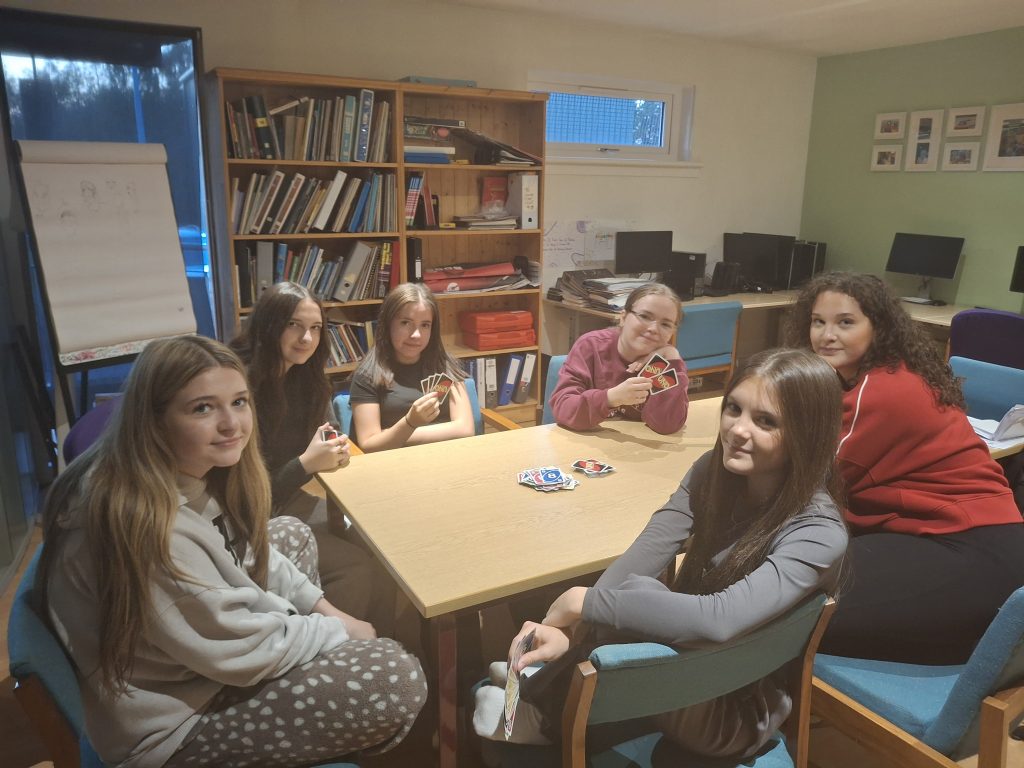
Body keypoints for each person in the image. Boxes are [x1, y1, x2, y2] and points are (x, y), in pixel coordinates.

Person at [41, 336, 425, 768]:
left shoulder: (171, 473)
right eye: (202, 408)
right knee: (396, 677)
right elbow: (240, 650)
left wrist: (326, 612)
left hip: (196, 660)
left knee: (290, 533)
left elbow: (242, 546)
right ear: (153, 419)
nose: (232, 424)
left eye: (239, 402)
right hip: (172, 726)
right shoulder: (148, 528)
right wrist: (338, 633)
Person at [474, 348, 848, 759]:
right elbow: (650, 548)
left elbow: (719, 620)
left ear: (806, 434)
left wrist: (586, 602)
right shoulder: (714, 471)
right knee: (632, 594)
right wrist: (576, 625)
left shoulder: (819, 531)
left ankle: (545, 715)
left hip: (734, 706)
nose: (738, 430)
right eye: (734, 408)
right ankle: (552, 682)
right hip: (687, 666)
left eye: (766, 421)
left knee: (637, 599)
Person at [786, 271, 1024, 664]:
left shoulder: (878, 390)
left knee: (781, 607)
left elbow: (807, 480)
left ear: (877, 328)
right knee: (781, 582)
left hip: (970, 550)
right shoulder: (874, 376)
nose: (827, 335)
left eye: (845, 322)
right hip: (947, 536)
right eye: (818, 321)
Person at [231, 282, 387, 626]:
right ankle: (331, 643)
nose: (307, 338)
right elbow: (244, 495)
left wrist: (334, 447)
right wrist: (306, 464)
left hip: (286, 501)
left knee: (380, 546)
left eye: (315, 328)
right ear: (269, 325)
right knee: (359, 566)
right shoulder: (239, 389)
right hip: (248, 519)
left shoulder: (305, 375)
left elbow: (331, 431)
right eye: (294, 325)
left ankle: (377, 635)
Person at [549, 283, 689, 434]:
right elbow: (563, 408)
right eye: (644, 316)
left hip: (636, 445)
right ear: (623, 317)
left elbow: (667, 424)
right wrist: (611, 398)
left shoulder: (662, 362)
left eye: (666, 324)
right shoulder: (591, 346)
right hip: (587, 441)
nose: (653, 329)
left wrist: (673, 356)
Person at [350, 282, 474, 452]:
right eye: (405, 323)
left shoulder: (444, 365)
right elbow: (369, 444)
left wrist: (393, 433)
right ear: (387, 324)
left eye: (425, 325)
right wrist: (410, 422)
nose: (416, 335)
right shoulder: (367, 376)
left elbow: (465, 429)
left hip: (447, 456)